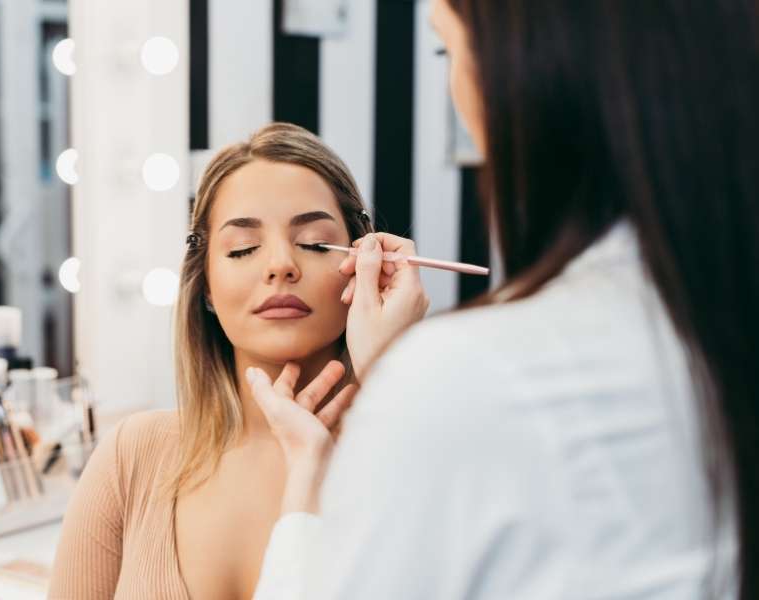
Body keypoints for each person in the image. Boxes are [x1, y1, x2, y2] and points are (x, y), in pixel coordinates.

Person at [248, 0, 759, 598]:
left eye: (447, 50)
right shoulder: (713, 324)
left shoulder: (474, 381)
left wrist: (391, 394)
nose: (280, 265)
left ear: (521, 68)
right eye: (241, 248)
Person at [48, 123, 389, 599]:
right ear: (206, 285)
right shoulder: (133, 455)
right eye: (242, 248)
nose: (280, 265)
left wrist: (390, 365)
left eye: (314, 243)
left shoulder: (406, 458)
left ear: (364, 265)